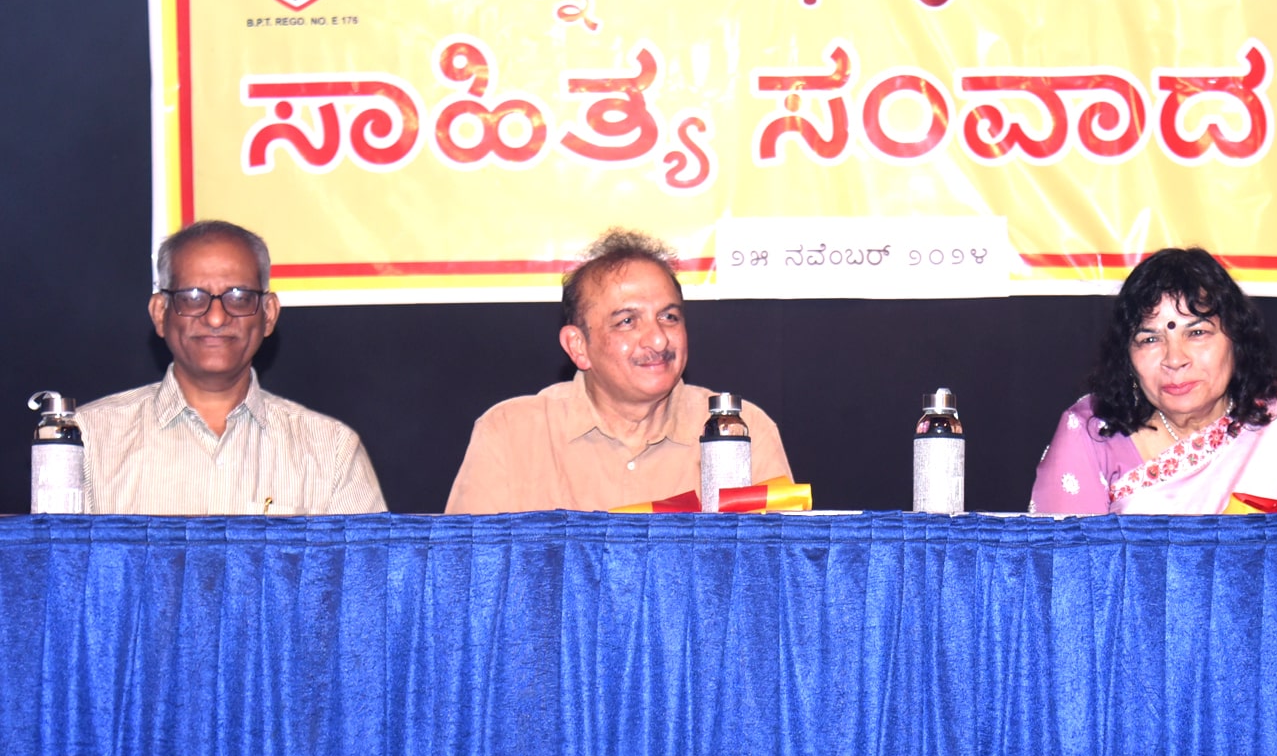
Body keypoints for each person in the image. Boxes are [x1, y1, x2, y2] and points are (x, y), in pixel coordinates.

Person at [446, 228, 791, 512]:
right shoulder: (511, 435)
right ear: (578, 346)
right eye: (627, 321)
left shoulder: (739, 430)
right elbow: (464, 577)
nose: (657, 339)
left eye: (668, 317)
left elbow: (777, 577)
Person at [76, 220, 386, 514]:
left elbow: (369, 568)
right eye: (193, 296)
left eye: (238, 297)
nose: (215, 318)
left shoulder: (330, 451)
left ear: (268, 314)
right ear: (160, 313)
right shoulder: (87, 441)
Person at [1029, 247, 1277, 514]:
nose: (1175, 358)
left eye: (1197, 333)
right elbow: (1063, 574)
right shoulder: (1092, 433)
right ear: (1127, 357)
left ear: (1237, 339)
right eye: (1149, 339)